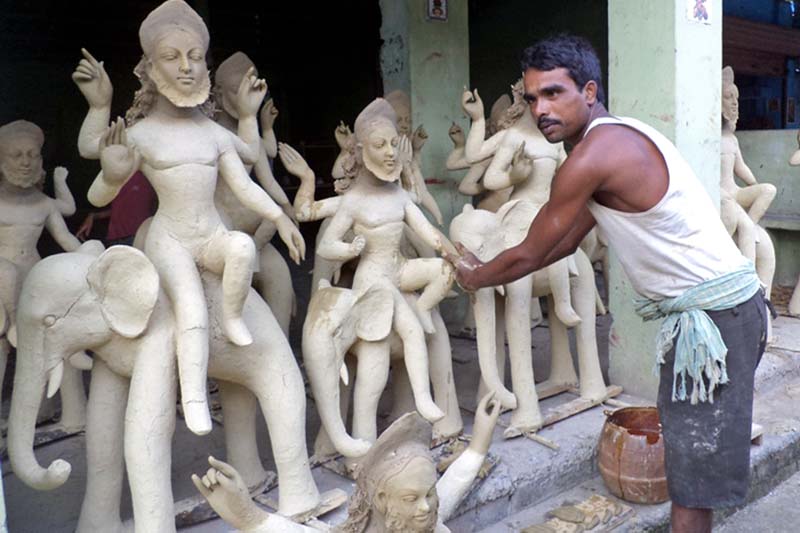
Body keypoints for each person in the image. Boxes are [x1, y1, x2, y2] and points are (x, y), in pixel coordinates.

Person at [448, 35, 768, 533]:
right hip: (726, 314)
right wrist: (490, 269)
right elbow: (560, 241)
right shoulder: (612, 139)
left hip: (717, 323)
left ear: (589, 91)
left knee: (690, 485)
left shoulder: (592, 157)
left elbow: (534, 249)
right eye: (532, 98)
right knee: (691, 466)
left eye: (554, 93)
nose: (540, 109)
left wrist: (475, 275)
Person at [76, 170, 156, 246]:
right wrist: (94, 216)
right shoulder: (116, 180)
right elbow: (119, 209)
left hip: (137, 237)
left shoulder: (148, 177)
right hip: (114, 238)